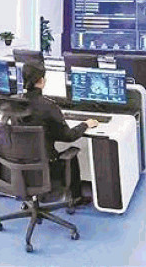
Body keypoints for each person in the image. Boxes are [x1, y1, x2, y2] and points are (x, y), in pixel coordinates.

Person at [19, 62, 98, 204]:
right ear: (42, 81)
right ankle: (76, 198)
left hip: (20, 166)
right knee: (71, 154)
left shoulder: (13, 103)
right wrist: (85, 124)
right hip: (48, 167)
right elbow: (68, 136)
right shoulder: (48, 106)